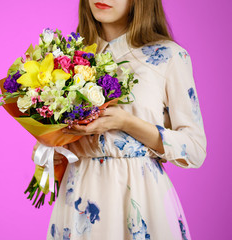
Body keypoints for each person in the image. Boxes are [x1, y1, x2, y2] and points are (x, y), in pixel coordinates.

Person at [33, 0, 207, 239]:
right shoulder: (68, 58)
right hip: (79, 196)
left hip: (141, 196)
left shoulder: (169, 56)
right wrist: (50, 142)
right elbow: (60, 146)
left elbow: (195, 148)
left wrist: (126, 122)